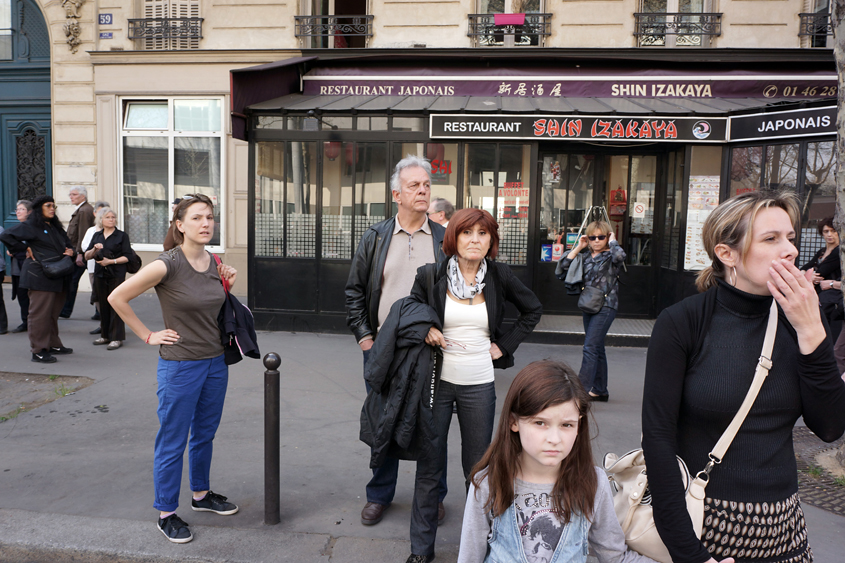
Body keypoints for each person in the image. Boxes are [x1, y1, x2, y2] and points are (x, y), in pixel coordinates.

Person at [642, 191, 845, 563]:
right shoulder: (683, 322)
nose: (791, 251)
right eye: (771, 239)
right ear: (727, 254)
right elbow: (657, 439)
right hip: (701, 528)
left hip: (783, 533)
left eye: (791, 238)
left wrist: (813, 332)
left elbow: (830, 427)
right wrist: (689, 553)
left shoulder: (799, 320)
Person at [405, 207, 542, 563]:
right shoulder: (430, 275)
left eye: (483, 234)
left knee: (478, 471)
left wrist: (504, 345)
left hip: (479, 384)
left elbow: (532, 310)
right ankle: (421, 551)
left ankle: (480, 547)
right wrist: (426, 330)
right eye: (467, 233)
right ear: (454, 237)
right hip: (437, 383)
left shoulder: (499, 276)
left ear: (491, 240)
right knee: (429, 467)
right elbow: (409, 315)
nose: (475, 240)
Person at [109, 194, 239, 544]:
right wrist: (148, 335)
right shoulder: (166, 264)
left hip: (214, 362)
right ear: (180, 225)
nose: (206, 224)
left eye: (209, 217)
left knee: (205, 434)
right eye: (197, 218)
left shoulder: (214, 261)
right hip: (180, 365)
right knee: (172, 440)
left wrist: (229, 281)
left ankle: (200, 495)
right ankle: (166, 512)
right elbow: (116, 297)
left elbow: (212, 307)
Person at [458, 360, 658, 563]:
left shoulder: (593, 482)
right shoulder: (488, 483)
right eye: (540, 422)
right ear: (513, 422)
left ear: (579, 425)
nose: (554, 438)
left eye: (566, 425)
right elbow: (469, 558)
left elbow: (615, 557)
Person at [345, 155, 447, 527]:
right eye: (413, 186)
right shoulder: (375, 237)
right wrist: (365, 339)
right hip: (383, 349)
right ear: (396, 194)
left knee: (432, 424)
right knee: (384, 420)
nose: (422, 191)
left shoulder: (443, 238)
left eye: (425, 185)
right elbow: (355, 291)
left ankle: (432, 496)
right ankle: (379, 495)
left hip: (430, 349)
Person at [0, 195, 75, 363]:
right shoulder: (31, 225)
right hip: (39, 275)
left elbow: (68, 244)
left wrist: (71, 251)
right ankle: (38, 350)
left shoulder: (54, 226)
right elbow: (6, 236)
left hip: (59, 273)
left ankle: (53, 344)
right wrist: (24, 247)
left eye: (53, 206)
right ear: (39, 208)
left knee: (52, 314)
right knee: (39, 314)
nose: (52, 208)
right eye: (48, 205)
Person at [560, 220, 626, 401]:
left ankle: (581, 391)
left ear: (607, 237)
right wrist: (579, 246)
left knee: (589, 346)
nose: (596, 240)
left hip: (606, 306)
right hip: (589, 304)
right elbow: (562, 268)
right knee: (597, 347)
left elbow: (621, 256)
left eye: (601, 237)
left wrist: (613, 241)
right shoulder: (586, 256)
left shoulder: (611, 256)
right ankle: (599, 390)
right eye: (592, 237)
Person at [85, 207, 131, 350]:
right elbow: (87, 255)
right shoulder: (97, 235)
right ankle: (105, 335)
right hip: (100, 274)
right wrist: (94, 250)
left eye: (113, 217)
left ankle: (116, 337)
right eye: (108, 217)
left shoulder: (121, 236)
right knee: (103, 304)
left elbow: (128, 256)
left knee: (116, 304)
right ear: (101, 220)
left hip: (116, 274)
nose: (111, 219)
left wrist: (110, 262)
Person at [801, 216, 842, 343]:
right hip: (819, 296)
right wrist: (807, 275)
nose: (830, 235)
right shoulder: (822, 251)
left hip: (830, 299)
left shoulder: (839, 252)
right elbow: (804, 267)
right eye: (826, 231)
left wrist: (809, 275)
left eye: (833, 231)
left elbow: (821, 272)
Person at [60, 185, 95, 318]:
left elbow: (83, 233)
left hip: (81, 253)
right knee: (92, 281)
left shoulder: (84, 211)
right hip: (80, 252)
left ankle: (66, 310)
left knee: (72, 281)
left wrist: (79, 253)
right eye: (70, 194)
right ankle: (98, 311)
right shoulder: (82, 209)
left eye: (74, 194)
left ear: (83, 196)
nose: (71, 197)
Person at [81, 202, 109, 335]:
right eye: (100, 213)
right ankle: (102, 323)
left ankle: (111, 324)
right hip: (94, 268)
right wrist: (95, 249)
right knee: (97, 296)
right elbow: (84, 247)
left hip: (110, 269)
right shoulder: (91, 231)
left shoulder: (114, 230)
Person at [6, 200, 31, 333]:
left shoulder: (31, 228)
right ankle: (25, 321)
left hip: (28, 268)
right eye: (17, 209)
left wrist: (15, 250)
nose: (17, 212)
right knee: (21, 295)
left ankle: (32, 322)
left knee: (30, 295)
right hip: (17, 267)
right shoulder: (17, 228)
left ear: (29, 212)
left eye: (21, 209)